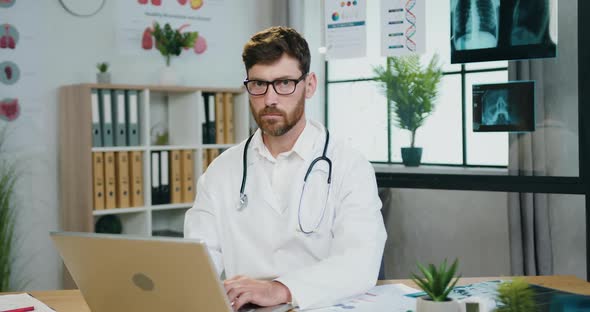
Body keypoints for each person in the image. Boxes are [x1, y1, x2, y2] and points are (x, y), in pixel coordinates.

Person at [184, 26, 386, 311]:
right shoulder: (221, 171)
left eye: (284, 83)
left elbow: (360, 261)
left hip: (319, 306)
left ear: (310, 84)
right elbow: (198, 262)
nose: (270, 99)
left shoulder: (349, 165)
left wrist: (279, 289)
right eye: (258, 85)